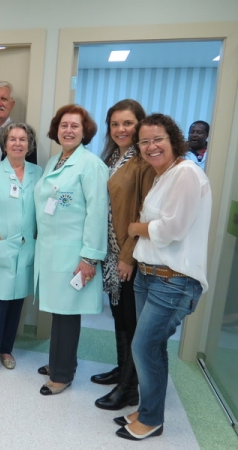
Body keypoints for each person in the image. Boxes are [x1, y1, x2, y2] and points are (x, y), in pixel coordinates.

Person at [116, 113, 211, 441]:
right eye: (144, 141)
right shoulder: (163, 175)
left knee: (144, 347)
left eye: (158, 139)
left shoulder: (186, 173)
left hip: (174, 280)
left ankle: (152, 419)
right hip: (149, 276)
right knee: (152, 347)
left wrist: (135, 228)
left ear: (173, 140)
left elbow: (172, 229)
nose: (151, 146)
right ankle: (148, 409)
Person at [34, 104, 108, 395]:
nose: (68, 130)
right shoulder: (56, 160)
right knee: (59, 311)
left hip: (74, 254)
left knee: (67, 314)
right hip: (52, 250)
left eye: (75, 126)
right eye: (64, 125)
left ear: (84, 131)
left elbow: (97, 213)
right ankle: (60, 362)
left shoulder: (90, 165)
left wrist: (89, 257)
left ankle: (61, 375)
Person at [91, 100, 155, 410]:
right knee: (118, 314)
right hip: (111, 250)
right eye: (115, 124)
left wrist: (127, 257)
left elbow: (143, 212)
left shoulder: (143, 162)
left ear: (140, 124)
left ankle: (129, 388)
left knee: (131, 318)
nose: (120, 129)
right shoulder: (114, 157)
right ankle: (122, 370)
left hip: (128, 254)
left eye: (127, 123)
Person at [0, 123, 42, 378]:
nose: (17, 143)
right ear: (4, 144)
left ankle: (6, 349)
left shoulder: (38, 173)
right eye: (12, 139)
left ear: (29, 145)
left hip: (26, 249)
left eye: (22, 139)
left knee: (16, 303)